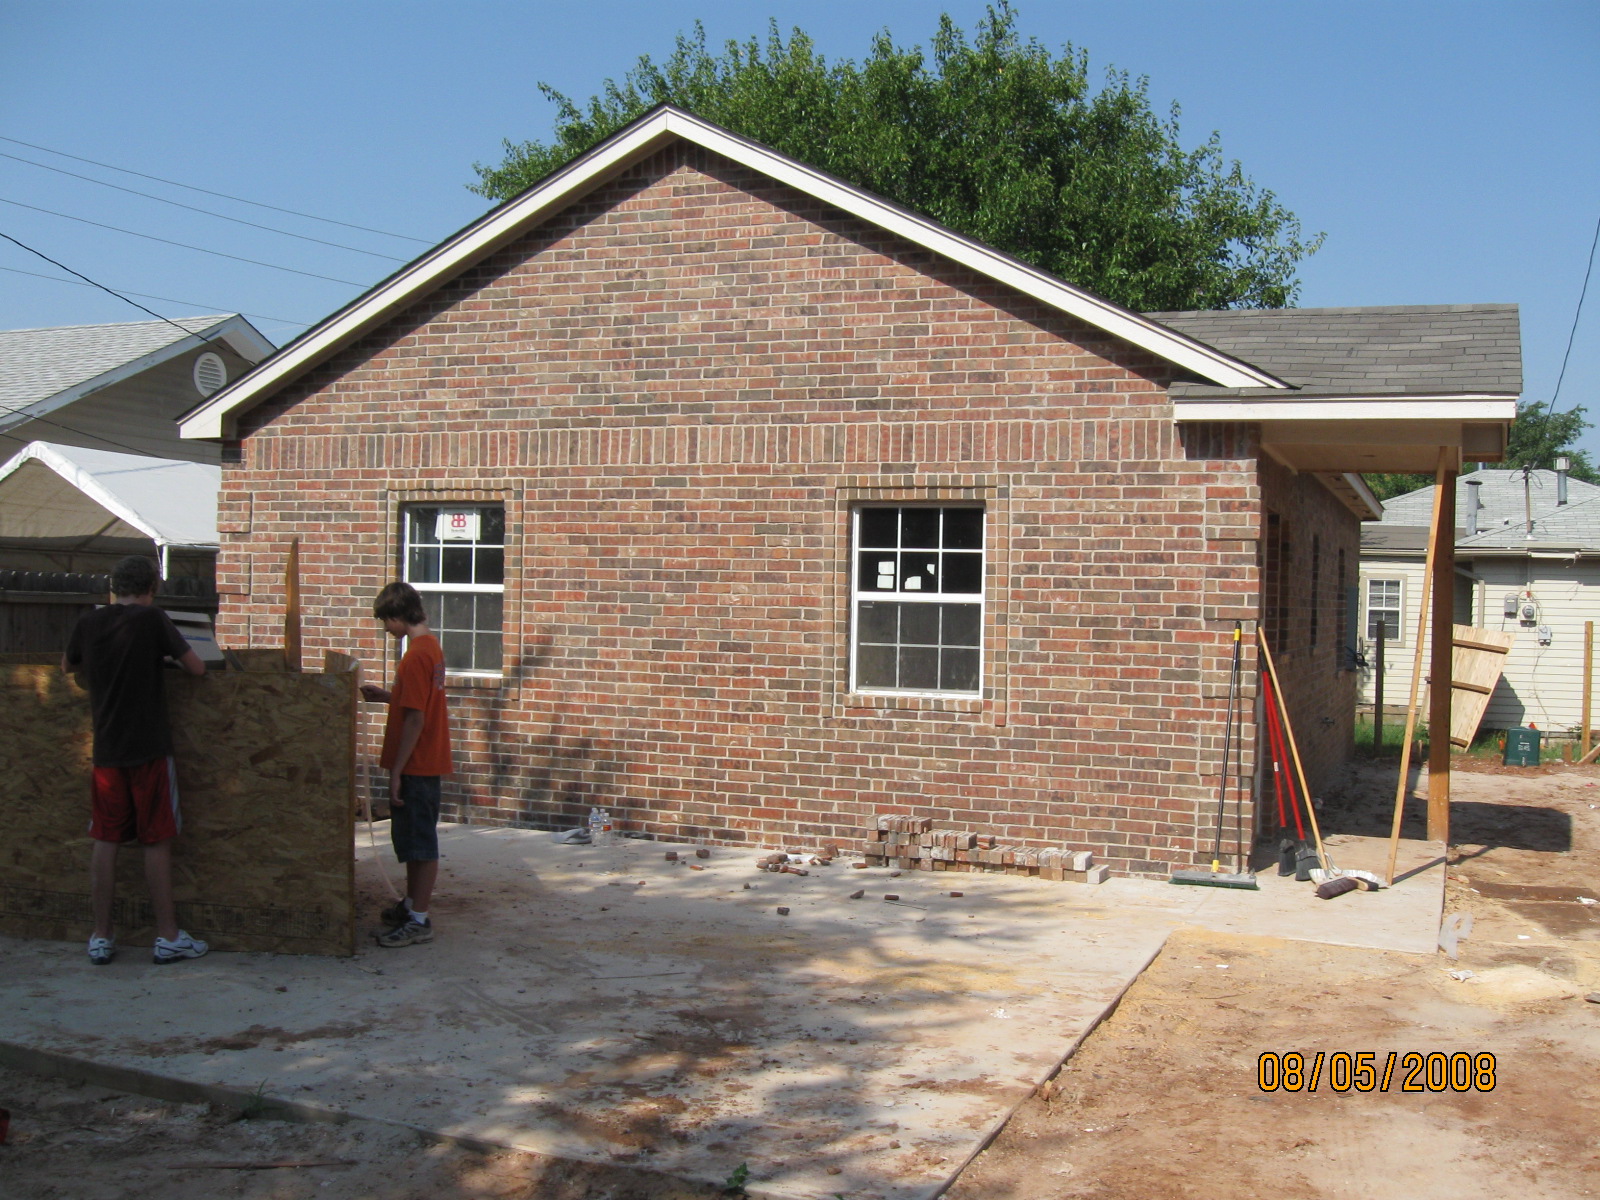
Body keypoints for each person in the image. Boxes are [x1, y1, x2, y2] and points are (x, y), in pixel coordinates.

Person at [63, 555, 209, 966]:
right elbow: (197, 668)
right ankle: (168, 936)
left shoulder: (89, 622)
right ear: (151, 589)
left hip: (108, 749)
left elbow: (67, 665)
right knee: (155, 839)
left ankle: (101, 935)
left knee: (106, 839)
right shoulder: (152, 619)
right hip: (149, 748)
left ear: (114, 588)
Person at [359, 581, 452, 947]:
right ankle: (412, 904)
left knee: (420, 843)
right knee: (414, 841)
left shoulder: (414, 657)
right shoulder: (431, 647)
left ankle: (419, 920)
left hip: (417, 763)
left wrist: (397, 770)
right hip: (426, 760)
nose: (386, 629)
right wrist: (388, 697)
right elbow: (418, 700)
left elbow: (415, 718)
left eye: (386, 621)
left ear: (398, 615)